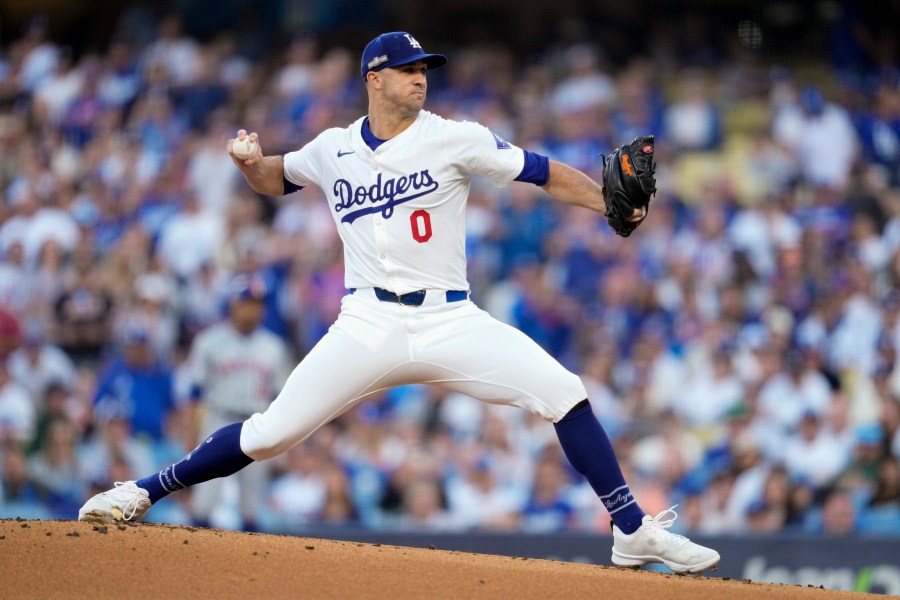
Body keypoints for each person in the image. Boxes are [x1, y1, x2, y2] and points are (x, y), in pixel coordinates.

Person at [79, 31, 720, 573]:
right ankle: (141, 491)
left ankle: (631, 531)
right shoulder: (332, 148)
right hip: (368, 321)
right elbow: (277, 177)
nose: (421, 80)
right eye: (409, 71)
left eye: (424, 72)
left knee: (564, 390)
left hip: (449, 317)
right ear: (374, 79)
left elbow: (543, 171)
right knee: (270, 434)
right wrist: (249, 164)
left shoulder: (454, 137)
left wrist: (607, 202)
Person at [184, 273, 292, 530]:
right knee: (204, 499)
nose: (252, 309)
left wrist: (283, 441)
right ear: (232, 303)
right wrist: (189, 435)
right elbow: (193, 395)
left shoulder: (274, 347)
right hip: (218, 420)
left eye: (257, 303)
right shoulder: (208, 342)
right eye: (247, 302)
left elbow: (283, 398)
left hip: (256, 422)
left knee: (251, 507)